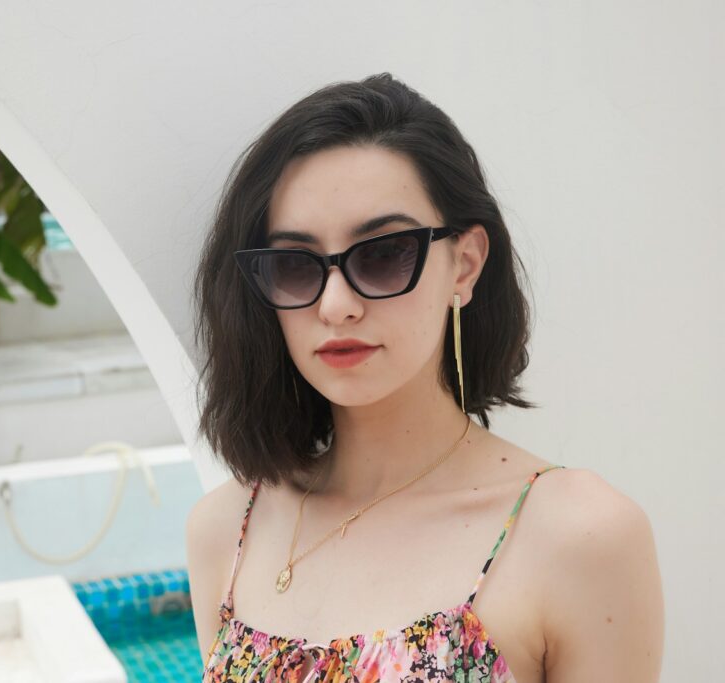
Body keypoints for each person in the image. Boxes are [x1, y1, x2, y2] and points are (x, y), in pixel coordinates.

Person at [186, 73, 663, 682]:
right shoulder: (228, 529)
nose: (335, 305)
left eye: (384, 254)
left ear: (464, 265)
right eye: (295, 266)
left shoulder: (577, 534)